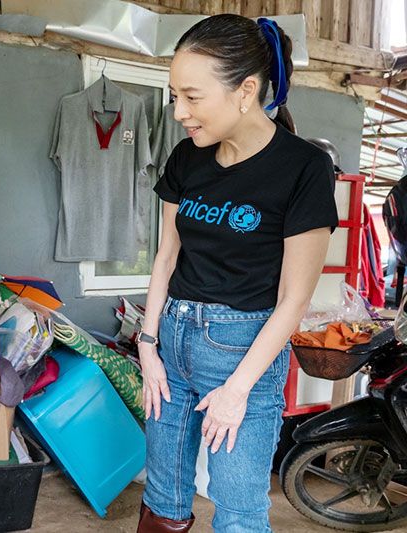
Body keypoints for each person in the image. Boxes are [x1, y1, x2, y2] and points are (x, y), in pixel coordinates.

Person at [136, 14, 338, 533]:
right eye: (174, 95)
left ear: (246, 90)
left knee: (238, 506)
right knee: (163, 494)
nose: (179, 112)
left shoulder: (303, 168)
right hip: (171, 336)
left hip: (241, 351)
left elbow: (294, 298)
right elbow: (165, 259)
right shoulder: (188, 157)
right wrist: (147, 346)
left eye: (192, 97)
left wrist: (237, 389)